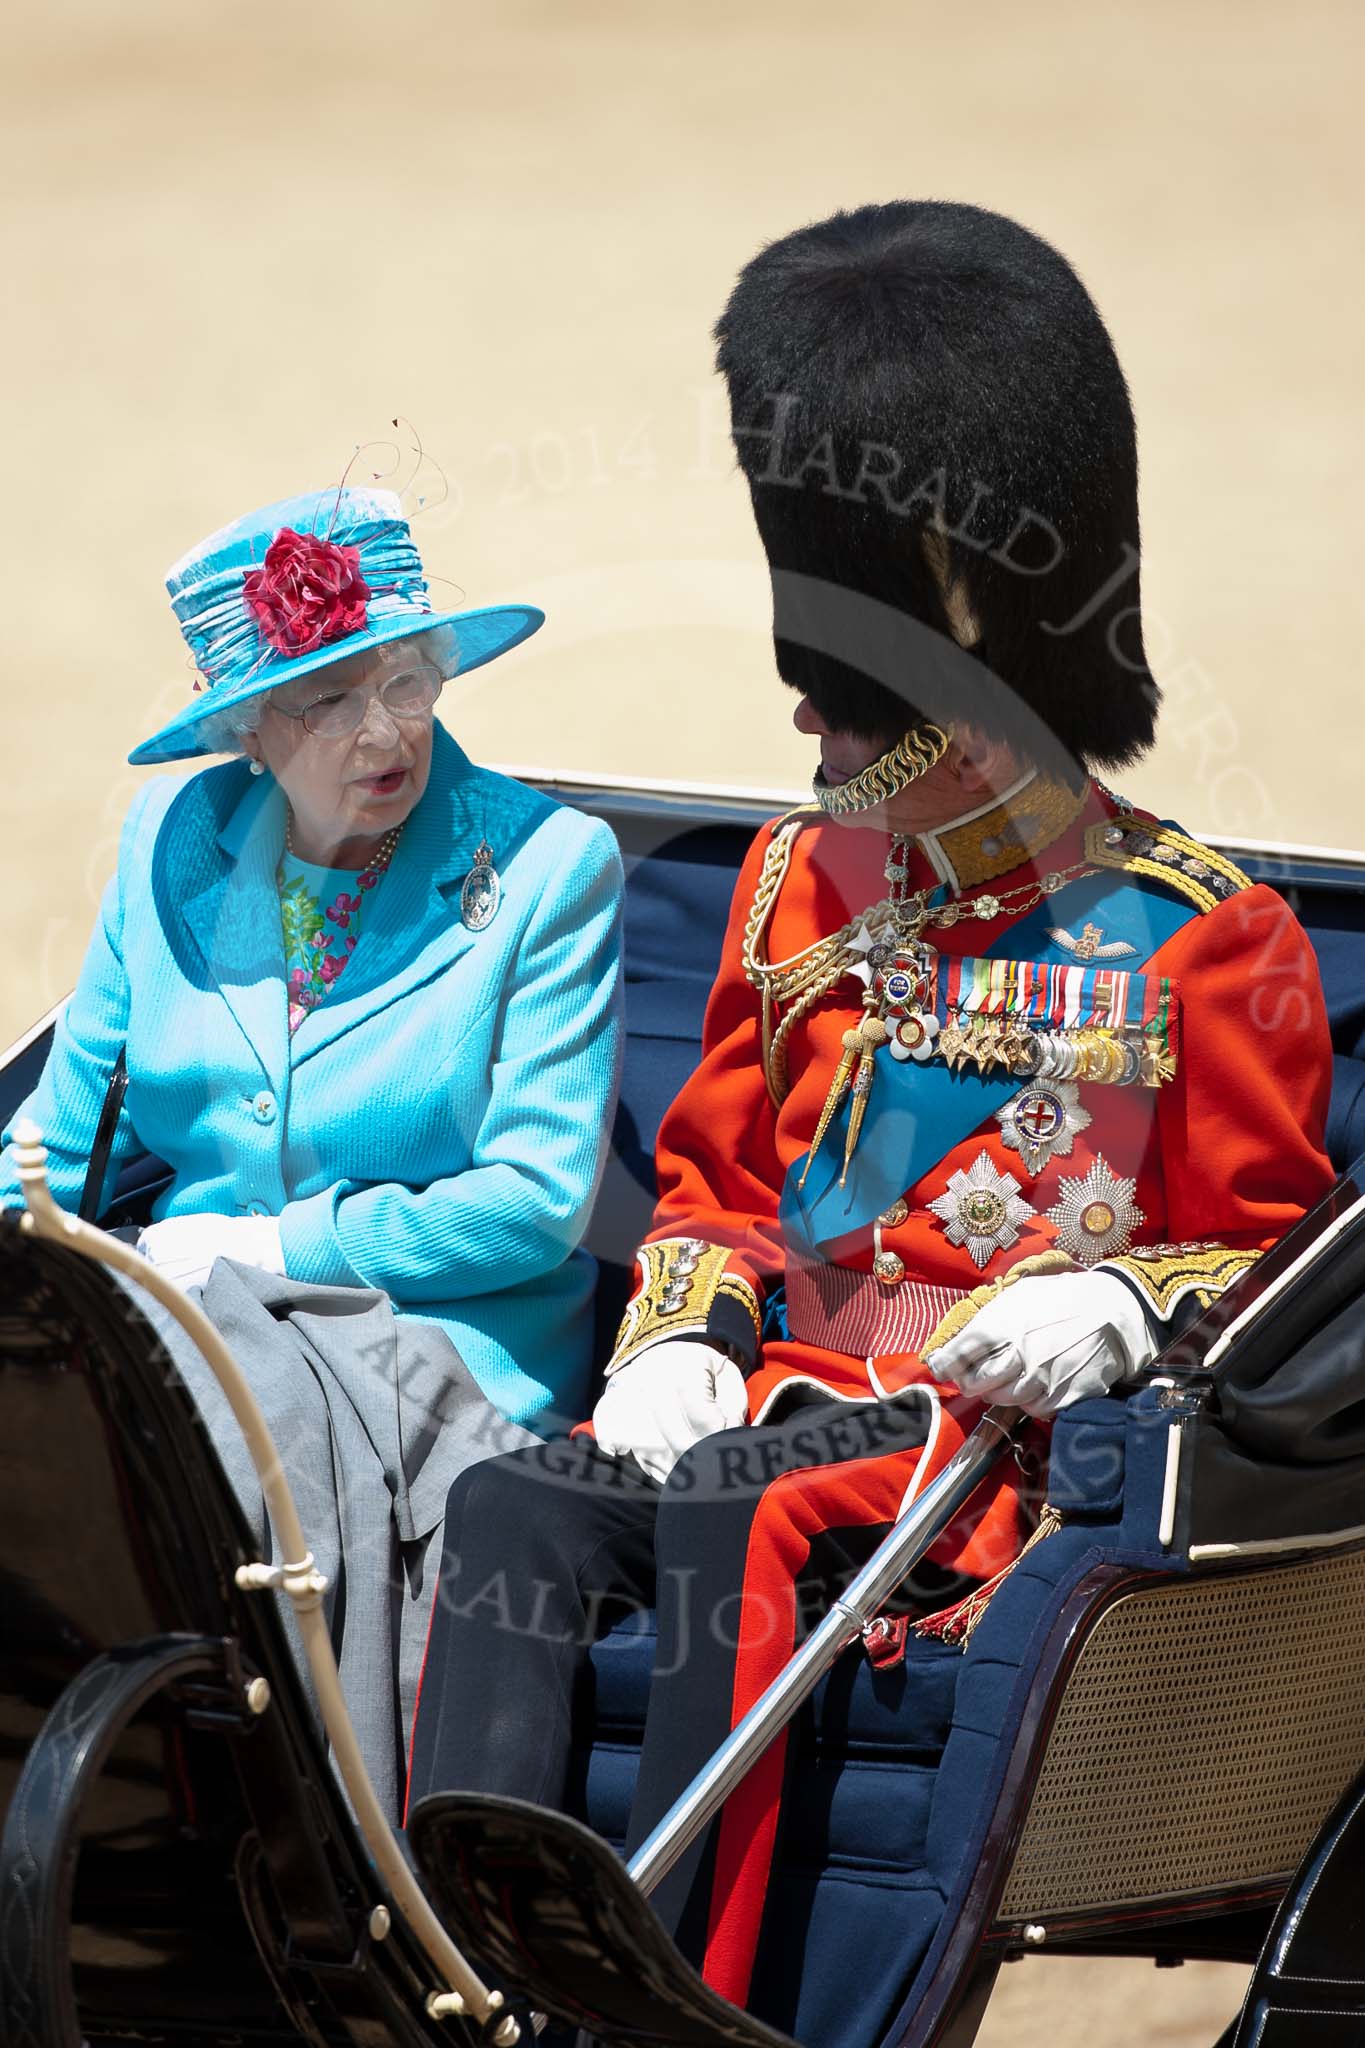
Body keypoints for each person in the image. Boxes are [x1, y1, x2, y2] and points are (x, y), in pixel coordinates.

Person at [404, 202, 1335, 2012]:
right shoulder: (798, 887)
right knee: (523, 1506)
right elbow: (714, 1194)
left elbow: (1269, 1252)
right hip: (779, 1402)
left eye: (847, 712)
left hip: (973, 1458)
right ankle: (462, 1969)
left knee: (734, 1512)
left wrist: (1123, 1308)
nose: (815, 746)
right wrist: (679, 1336)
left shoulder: (1209, 938)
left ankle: (681, 1991)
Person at [0, 485, 623, 1814]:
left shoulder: (551, 870)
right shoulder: (175, 842)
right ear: (245, 733)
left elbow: (530, 1211)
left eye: (404, 680)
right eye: (325, 701)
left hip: (438, 1338)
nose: (382, 730)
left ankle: (286, 1836)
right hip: (189, 1306)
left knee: (201, 1434)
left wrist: (270, 1245)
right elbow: (59, 1138)